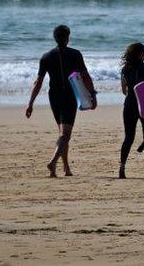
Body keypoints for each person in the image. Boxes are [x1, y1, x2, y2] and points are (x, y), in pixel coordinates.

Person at [25, 25, 96, 178]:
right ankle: (53, 162)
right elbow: (85, 76)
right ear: (68, 37)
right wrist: (93, 94)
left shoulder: (46, 56)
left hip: (54, 96)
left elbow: (38, 82)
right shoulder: (75, 54)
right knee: (66, 134)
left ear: (54, 38)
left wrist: (30, 103)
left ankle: (66, 169)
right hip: (69, 96)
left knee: (63, 133)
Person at [118, 43, 144, 179]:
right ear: (141, 54)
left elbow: (124, 90)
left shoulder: (125, 69)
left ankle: (122, 168)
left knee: (128, 137)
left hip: (129, 104)